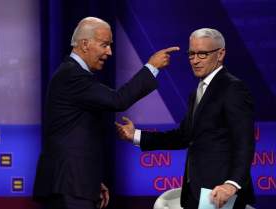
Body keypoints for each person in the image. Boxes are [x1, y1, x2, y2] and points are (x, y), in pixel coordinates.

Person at [33, 16, 179, 209]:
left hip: (75, 184)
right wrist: (152, 67)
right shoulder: (72, 75)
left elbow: (76, 130)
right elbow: (118, 100)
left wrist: (91, 182)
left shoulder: (73, 74)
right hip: (68, 186)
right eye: (105, 45)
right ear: (85, 44)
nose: (109, 52)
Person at [116, 28, 255, 209]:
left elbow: (244, 142)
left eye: (202, 54)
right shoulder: (197, 92)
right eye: (191, 54)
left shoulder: (232, 88)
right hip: (195, 192)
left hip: (220, 194)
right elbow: (184, 136)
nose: (195, 61)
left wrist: (232, 184)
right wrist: (136, 135)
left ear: (220, 54)